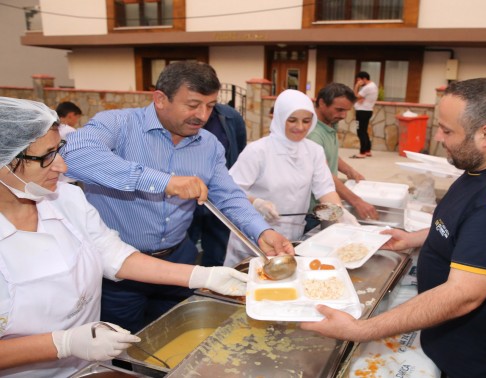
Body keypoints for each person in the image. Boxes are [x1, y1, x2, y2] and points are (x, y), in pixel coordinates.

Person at [301, 78, 486, 377]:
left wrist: (360, 329)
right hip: (460, 341)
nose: (440, 138)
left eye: (447, 130)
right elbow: (465, 224)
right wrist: (413, 238)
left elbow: (463, 295)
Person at [0, 97, 248, 377]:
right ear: (4, 161)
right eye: (46, 157)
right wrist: (63, 343)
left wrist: (203, 276)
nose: (62, 166)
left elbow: (115, 256)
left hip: (88, 368)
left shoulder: (65, 198)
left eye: (59, 151)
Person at [61, 61, 293, 333]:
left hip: (178, 258)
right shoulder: (118, 124)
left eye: (210, 106)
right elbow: (73, 156)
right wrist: (164, 182)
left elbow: (229, 196)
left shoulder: (208, 145)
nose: (203, 115)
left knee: (177, 335)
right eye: (193, 104)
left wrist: (261, 231)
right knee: (121, 344)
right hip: (117, 268)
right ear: (160, 99)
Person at [223, 89, 358, 267]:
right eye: (292, 120)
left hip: (292, 238)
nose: (300, 127)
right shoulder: (258, 151)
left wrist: (338, 211)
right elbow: (228, 190)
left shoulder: (314, 151)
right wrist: (257, 203)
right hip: (253, 239)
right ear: (279, 118)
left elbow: (325, 189)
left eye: (306, 121)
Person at [306, 83, 379, 230]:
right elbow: (324, 173)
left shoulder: (330, 122)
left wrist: (350, 172)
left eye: (346, 111)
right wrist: (357, 202)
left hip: (327, 202)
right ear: (321, 103)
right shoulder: (313, 134)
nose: (343, 115)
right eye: (339, 110)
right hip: (313, 210)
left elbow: (330, 155)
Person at [188, 103, 247, 267]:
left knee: (217, 254)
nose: (203, 114)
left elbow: (239, 151)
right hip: (184, 200)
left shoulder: (230, 117)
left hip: (218, 199)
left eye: (210, 105)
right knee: (184, 252)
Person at [351, 71, 378, 158]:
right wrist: (359, 98)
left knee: (360, 132)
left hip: (362, 111)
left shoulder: (367, 88)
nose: (358, 82)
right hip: (368, 110)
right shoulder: (373, 85)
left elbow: (355, 97)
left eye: (359, 80)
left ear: (364, 79)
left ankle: (362, 152)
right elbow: (360, 98)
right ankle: (367, 150)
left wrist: (356, 86)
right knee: (364, 131)